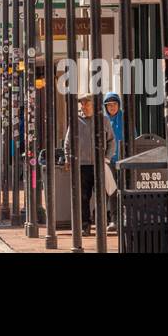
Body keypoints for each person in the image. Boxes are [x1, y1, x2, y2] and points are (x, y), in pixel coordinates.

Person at [63, 94, 115, 236]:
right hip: (82, 165)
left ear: (94, 105)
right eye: (82, 104)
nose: (83, 107)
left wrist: (106, 158)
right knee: (83, 197)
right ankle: (85, 225)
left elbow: (111, 141)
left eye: (86, 104)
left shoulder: (103, 120)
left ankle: (99, 223)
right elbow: (67, 143)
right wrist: (68, 159)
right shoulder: (76, 121)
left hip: (99, 165)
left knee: (101, 196)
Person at [102, 93, 123, 166]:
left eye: (115, 104)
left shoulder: (126, 118)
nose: (112, 107)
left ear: (119, 105)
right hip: (106, 160)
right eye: (109, 105)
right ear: (105, 106)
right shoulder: (102, 120)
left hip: (124, 159)